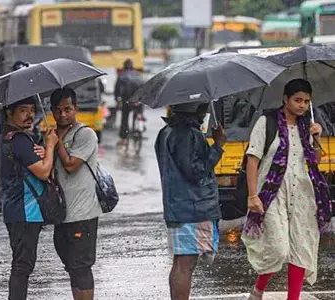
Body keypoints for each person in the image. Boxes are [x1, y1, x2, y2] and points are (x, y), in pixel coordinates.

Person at [243, 79, 331, 300]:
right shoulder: (267, 121)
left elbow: (315, 160)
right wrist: (253, 195)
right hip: (272, 194)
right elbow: (252, 160)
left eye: (306, 101)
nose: (302, 105)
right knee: (278, 248)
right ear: (286, 99)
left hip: (302, 192)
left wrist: (317, 137)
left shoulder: (306, 126)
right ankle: (258, 290)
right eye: (297, 100)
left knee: (301, 247)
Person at [154, 102, 226, 300]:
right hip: (193, 207)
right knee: (186, 263)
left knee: (180, 262)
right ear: (196, 110)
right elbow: (196, 172)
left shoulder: (166, 132)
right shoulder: (188, 134)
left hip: (179, 206)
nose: (205, 115)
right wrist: (217, 146)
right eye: (203, 110)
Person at [0, 96, 58, 300]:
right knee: (22, 266)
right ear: (9, 112)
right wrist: (50, 146)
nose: (29, 115)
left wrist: (43, 151)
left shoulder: (9, 137)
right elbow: (43, 172)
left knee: (21, 265)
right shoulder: (20, 140)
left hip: (15, 209)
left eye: (32, 110)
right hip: (25, 211)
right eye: (23, 110)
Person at [50, 88, 102, 300]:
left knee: (81, 267)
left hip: (82, 214)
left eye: (68, 109)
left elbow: (71, 165)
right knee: (71, 265)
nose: (63, 115)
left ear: (76, 109)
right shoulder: (51, 135)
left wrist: (56, 143)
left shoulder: (86, 134)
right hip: (62, 213)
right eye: (58, 110)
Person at [0, 61, 32, 213]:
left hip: (29, 135)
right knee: (6, 169)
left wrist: (33, 123)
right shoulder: (6, 93)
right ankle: (0, 200)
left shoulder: (32, 91)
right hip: (8, 136)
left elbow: (38, 113)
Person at [114, 58, 144, 146]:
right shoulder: (138, 74)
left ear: (124, 66)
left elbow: (117, 89)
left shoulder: (121, 75)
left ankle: (123, 137)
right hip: (138, 99)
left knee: (125, 118)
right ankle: (140, 124)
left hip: (126, 100)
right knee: (139, 113)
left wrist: (117, 98)